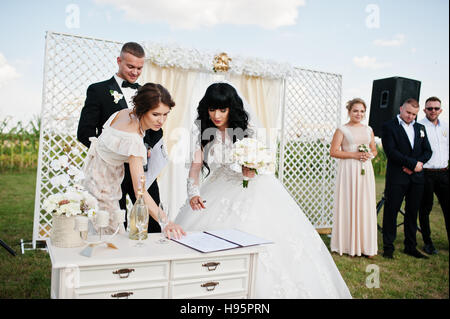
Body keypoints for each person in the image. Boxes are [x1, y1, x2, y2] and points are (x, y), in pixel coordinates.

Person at [174, 82, 352, 298]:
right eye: (212, 109)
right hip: (217, 190)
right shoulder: (204, 135)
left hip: (252, 191)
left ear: (232, 108)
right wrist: (193, 193)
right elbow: (194, 169)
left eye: (222, 109)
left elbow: (261, 163)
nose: (217, 115)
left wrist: (251, 168)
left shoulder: (246, 134)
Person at [81, 83, 185, 239]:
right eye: (156, 114)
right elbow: (140, 191)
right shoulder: (134, 140)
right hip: (103, 188)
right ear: (143, 109)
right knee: (110, 239)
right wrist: (166, 222)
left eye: (165, 114)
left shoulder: (123, 113)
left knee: (99, 236)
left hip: (94, 176)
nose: (161, 120)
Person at [77, 42, 161, 233]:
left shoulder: (147, 93)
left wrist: (146, 147)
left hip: (142, 167)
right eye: (130, 66)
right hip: (111, 172)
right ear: (118, 61)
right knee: (114, 223)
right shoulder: (97, 90)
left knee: (154, 221)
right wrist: (112, 152)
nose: (135, 72)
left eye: (139, 68)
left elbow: (157, 129)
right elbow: (85, 132)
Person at [381, 98, 432, 259]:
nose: (411, 116)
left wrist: (418, 165)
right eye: (408, 112)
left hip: (417, 178)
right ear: (401, 108)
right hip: (397, 177)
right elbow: (391, 151)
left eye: (414, 114)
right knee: (391, 211)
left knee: (412, 212)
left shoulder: (420, 127)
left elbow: (428, 151)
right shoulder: (389, 126)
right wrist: (412, 164)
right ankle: (388, 248)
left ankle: (410, 246)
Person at [329, 98, 378, 258]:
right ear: (349, 112)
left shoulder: (368, 129)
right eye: (356, 110)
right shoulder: (342, 130)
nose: (359, 114)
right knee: (349, 203)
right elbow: (334, 151)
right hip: (349, 170)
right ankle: (348, 244)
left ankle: (366, 246)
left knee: (365, 204)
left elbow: (374, 150)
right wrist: (354, 155)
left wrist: (369, 155)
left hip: (365, 170)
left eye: (362, 111)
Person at [418, 96, 449, 254]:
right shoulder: (419, 126)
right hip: (426, 173)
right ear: (424, 110)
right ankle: (427, 242)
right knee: (425, 209)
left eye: (436, 108)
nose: (433, 111)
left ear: (440, 110)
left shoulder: (446, 126)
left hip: (444, 173)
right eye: (430, 108)